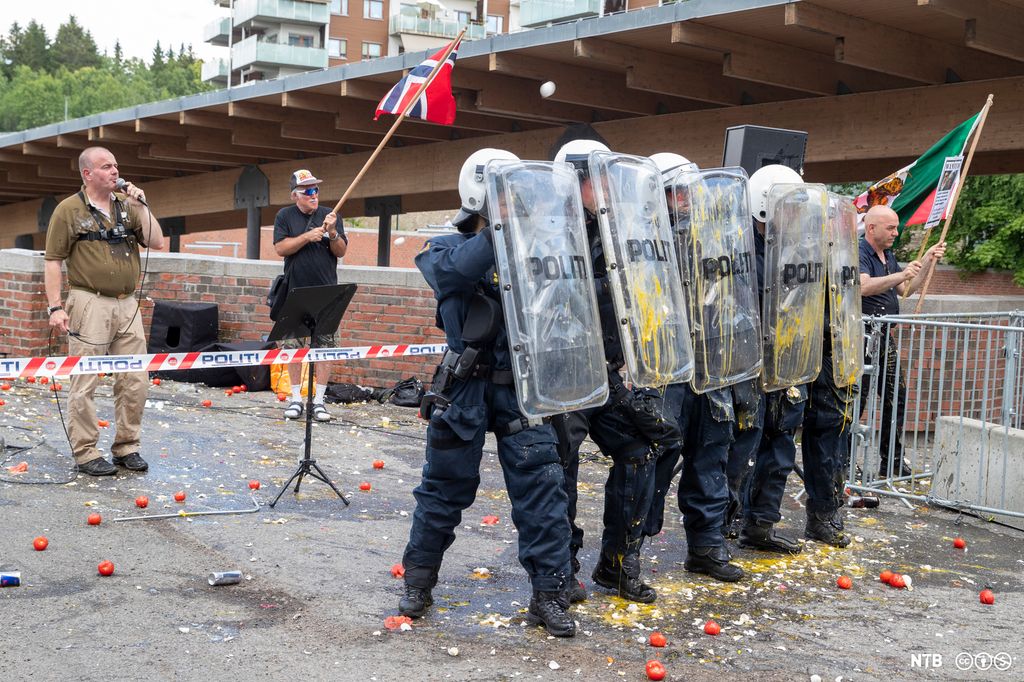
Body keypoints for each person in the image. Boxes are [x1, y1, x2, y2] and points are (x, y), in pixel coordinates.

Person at [398, 148, 576, 638]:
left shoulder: (535, 248)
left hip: (522, 389)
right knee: (442, 492)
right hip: (466, 391)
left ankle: (550, 595)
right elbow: (458, 272)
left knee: (543, 494)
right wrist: (507, 224)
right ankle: (418, 584)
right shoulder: (442, 249)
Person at [551, 139, 682, 604]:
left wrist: (633, 356)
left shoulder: (615, 230)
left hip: (605, 372)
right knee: (558, 471)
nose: (605, 188)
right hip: (562, 374)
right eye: (595, 179)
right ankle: (559, 569)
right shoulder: (549, 231)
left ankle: (619, 562)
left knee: (643, 448)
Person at [642, 152, 746, 583]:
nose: (684, 200)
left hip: (710, 364)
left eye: (688, 191)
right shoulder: (641, 240)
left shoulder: (713, 238)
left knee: (710, 458)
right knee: (655, 458)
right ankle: (625, 555)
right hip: (665, 365)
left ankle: (706, 546)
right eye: (676, 192)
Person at [44, 146, 165, 476]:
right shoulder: (68, 210)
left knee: (135, 379)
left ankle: (127, 446)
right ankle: (85, 452)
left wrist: (141, 203)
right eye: (106, 166)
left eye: (115, 165)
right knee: (85, 379)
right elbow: (53, 260)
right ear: (88, 174)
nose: (115, 171)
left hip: (128, 303)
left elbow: (157, 242)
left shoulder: (127, 206)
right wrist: (55, 306)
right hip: (89, 301)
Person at [736, 164, 815, 555]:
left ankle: (761, 524)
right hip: (749, 361)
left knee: (780, 443)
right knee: (741, 446)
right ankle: (725, 524)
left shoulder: (792, 246)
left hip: (785, 359)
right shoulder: (739, 245)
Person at [859, 205, 945, 476]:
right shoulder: (859, 252)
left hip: (885, 336)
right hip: (861, 336)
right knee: (856, 399)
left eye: (896, 227)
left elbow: (906, 289)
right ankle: (845, 461)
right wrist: (900, 274)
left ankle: (892, 460)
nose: (896, 232)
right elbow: (862, 286)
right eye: (891, 228)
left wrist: (928, 260)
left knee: (897, 395)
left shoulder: (888, 254)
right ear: (871, 228)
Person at [272, 169, 348, 422]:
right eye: (309, 191)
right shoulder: (284, 216)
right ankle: (296, 398)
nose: (314, 195)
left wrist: (332, 233)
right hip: (296, 293)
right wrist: (308, 236)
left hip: (328, 293)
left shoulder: (330, 215)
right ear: (296, 195)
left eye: (316, 190)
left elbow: (341, 252)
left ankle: (319, 401)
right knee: (294, 347)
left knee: (325, 348)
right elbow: (281, 248)